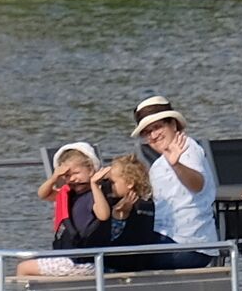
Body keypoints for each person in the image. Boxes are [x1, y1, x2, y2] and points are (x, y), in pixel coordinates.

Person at [19, 157, 158, 277]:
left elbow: (110, 228)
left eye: (112, 182)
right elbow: (44, 194)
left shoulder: (121, 205)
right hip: (106, 261)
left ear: (130, 183)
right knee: (35, 263)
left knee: (24, 268)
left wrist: (119, 215)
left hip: (99, 263)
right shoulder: (144, 204)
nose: (108, 186)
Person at [134, 95, 222, 258]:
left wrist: (176, 165)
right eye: (147, 132)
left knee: (122, 257)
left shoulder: (187, 148)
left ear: (173, 124)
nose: (153, 136)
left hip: (190, 245)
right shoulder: (159, 164)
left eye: (157, 127)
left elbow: (197, 184)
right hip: (166, 238)